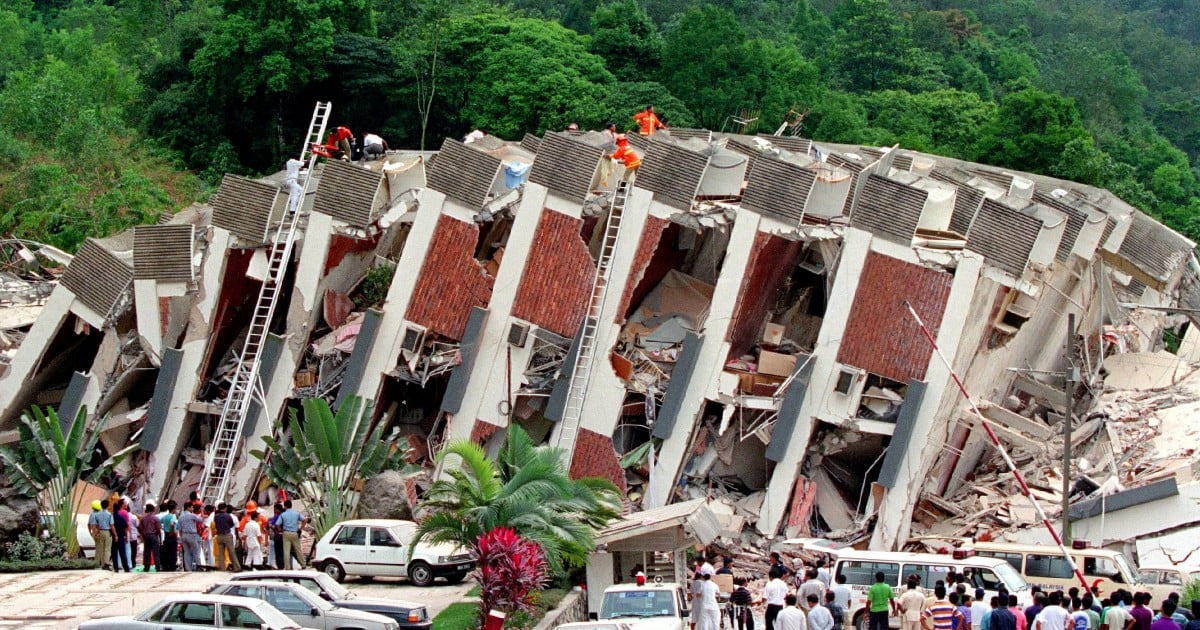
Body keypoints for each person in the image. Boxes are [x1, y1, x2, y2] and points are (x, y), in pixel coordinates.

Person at [212, 503, 241, 571]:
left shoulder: (216, 516)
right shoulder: (227, 516)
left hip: (219, 536)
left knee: (221, 553)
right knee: (231, 551)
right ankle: (236, 567)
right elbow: (231, 525)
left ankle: (222, 568)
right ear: (225, 508)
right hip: (227, 535)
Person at [279, 500, 306, 569]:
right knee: (298, 550)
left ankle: (287, 567)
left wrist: (280, 530)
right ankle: (303, 564)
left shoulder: (283, 514)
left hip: (286, 533)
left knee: (286, 551)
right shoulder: (296, 513)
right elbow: (304, 520)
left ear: (285, 506)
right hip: (295, 533)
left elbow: (277, 524)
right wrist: (300, 528)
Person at [179, 503, 204, 572]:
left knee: (186, 552)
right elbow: (201, 520)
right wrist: (202, 512)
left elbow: (179, 528)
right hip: (192, 534)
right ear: (188, 507)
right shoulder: (191, 515)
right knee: (196, 551)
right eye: (192, 507)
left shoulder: (181, 516)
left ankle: (188, 568)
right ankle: (199, 566)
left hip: (184, 534)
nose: (192, 509)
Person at [139, 503, 163, 573]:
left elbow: (140, 528)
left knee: (147, 552)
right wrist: (160, 539)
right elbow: (158, 529)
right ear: (153, 509)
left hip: (146, 535)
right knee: (156, 552)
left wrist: (143, 535)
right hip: (153, 535)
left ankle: (146, 567)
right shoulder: (156, 518)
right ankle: (157, 566)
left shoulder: (143, 518)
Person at [90, 499, 113, 570]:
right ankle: (106, 563)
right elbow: (111, 524)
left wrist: (95, 532)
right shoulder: (109, 514)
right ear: (108, 506)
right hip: (107, 531)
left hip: (100, 531)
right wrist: (115, 534)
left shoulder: (97, 514)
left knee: (101, 548)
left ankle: (102, 564)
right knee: (107, 548)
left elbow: (93, 524)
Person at [111, 498, 132, 573]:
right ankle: (126, 568)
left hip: (113, 537)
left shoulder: (111, 516)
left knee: (114, 553)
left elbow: (110, 525)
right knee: (122, 553)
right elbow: (126, 527)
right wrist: (126, 536)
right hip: (120, 536)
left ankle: (116, 568)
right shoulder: (121, 517)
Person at [160, 500, 178, 572]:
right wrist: (172, 531)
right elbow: (172, 524)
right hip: (172, 535)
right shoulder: (173, 516)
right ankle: (172, 565)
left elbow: (160, 522)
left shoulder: (165, 517)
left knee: (166, 550)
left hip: (166, 535)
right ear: (173, 509)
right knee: (173, 551)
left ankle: (166, 565)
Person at [269, 502, 285, 569]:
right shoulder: (278, 515)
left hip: (278, 535)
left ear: (278, 509)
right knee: (280, 551)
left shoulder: (279, 516)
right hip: (280, 535)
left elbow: (275, 525)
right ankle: (281, 565)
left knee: (279, 552)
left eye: (275, 509)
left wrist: (272, 527)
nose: (274, 510)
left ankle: (280, 565)